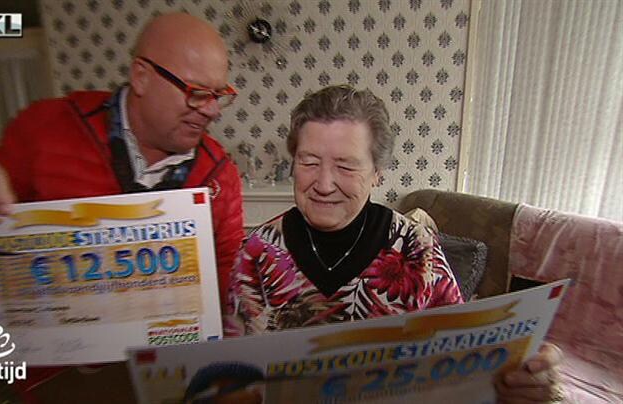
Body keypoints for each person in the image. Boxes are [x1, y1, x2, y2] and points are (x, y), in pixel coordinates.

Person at [224, 85, 564, 403]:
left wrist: (517, 378)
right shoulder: (256, 250)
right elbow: (229, 368)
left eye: (346, 166)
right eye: (309, 162)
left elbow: (463, 362)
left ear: (377, 172)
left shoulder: (417, 247)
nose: (324, 184)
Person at [0, 13, 244, 306]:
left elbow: (228, 285)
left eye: (219, 96)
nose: (212, 111)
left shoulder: (221, 175)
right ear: (141, 76)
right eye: (197, 93)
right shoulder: (46, 128)